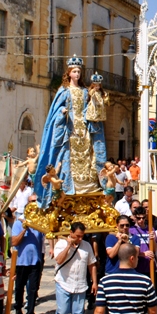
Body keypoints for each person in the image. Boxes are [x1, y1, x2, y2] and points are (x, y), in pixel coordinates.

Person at [34, 58, 103, 207]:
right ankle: (69, 184)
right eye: (74, 71)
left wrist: (95, 100)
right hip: (69, 127)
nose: (77, 74)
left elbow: (89, 107)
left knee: (87, 153)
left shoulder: (85, 91)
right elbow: (55, 110)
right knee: (68, 153)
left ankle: (86, 183)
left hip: (83, 126)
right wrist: (62, 111)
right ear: (69, 73)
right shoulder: (64, 91)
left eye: (79, 71)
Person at [52, 222, 96, 314]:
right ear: (71, 233)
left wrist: (94, 282)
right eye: (77, 236)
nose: (80, 239)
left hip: (80, 283)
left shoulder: (86, 246)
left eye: (82, 236)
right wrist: (68, 246)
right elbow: (59, 260)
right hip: (64, 282)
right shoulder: (61, 244)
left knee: (78, 313)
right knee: (62, 311)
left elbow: (92, 264)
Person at [11, 204, 45, 314]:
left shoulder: (39, 224)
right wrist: (25, 229)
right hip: (21, 261)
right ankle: (18, 307)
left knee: (33, 289)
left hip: (35, 261)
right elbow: (14, 242)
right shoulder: (17, 223)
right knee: (19, 286)